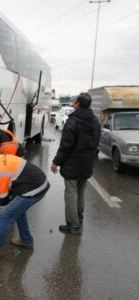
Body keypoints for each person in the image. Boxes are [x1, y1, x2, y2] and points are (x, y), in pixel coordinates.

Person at [0, 151, 50, 261]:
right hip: (37, 182)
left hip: (33, 188)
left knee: (5, 217)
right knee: (17, 211)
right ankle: (26, 241)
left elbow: (4, 199)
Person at [51, 92, 101, 235]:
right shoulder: (95, 121)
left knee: (71, 194)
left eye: (75, 101)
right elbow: (96, 142)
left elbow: (66, 146)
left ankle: (73, 225)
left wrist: (56, 162)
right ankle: (79, 219)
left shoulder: (73, 121)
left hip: (73, 164)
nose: (73, 102)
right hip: (87, 163)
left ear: (78, 103)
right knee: (80, 193)